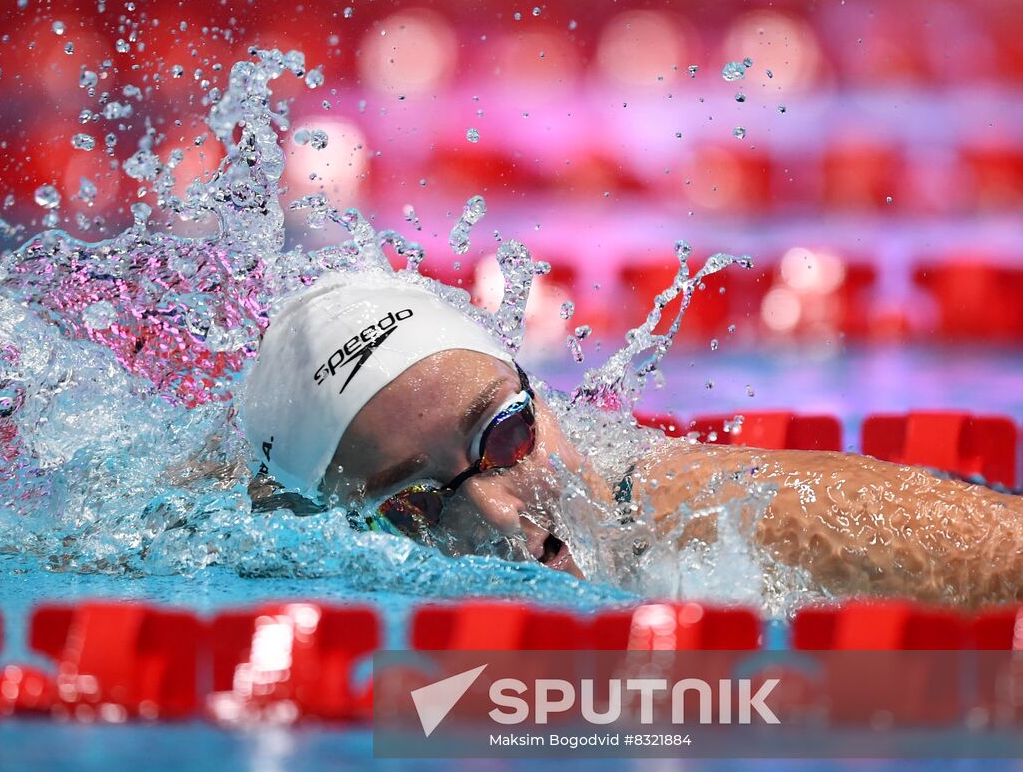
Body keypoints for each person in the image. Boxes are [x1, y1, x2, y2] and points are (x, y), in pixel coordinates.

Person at [238, 270, 1023, 607]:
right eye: (412, 503)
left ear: (539, 400)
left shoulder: (722, 512)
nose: (504, 515)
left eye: (508, 432)